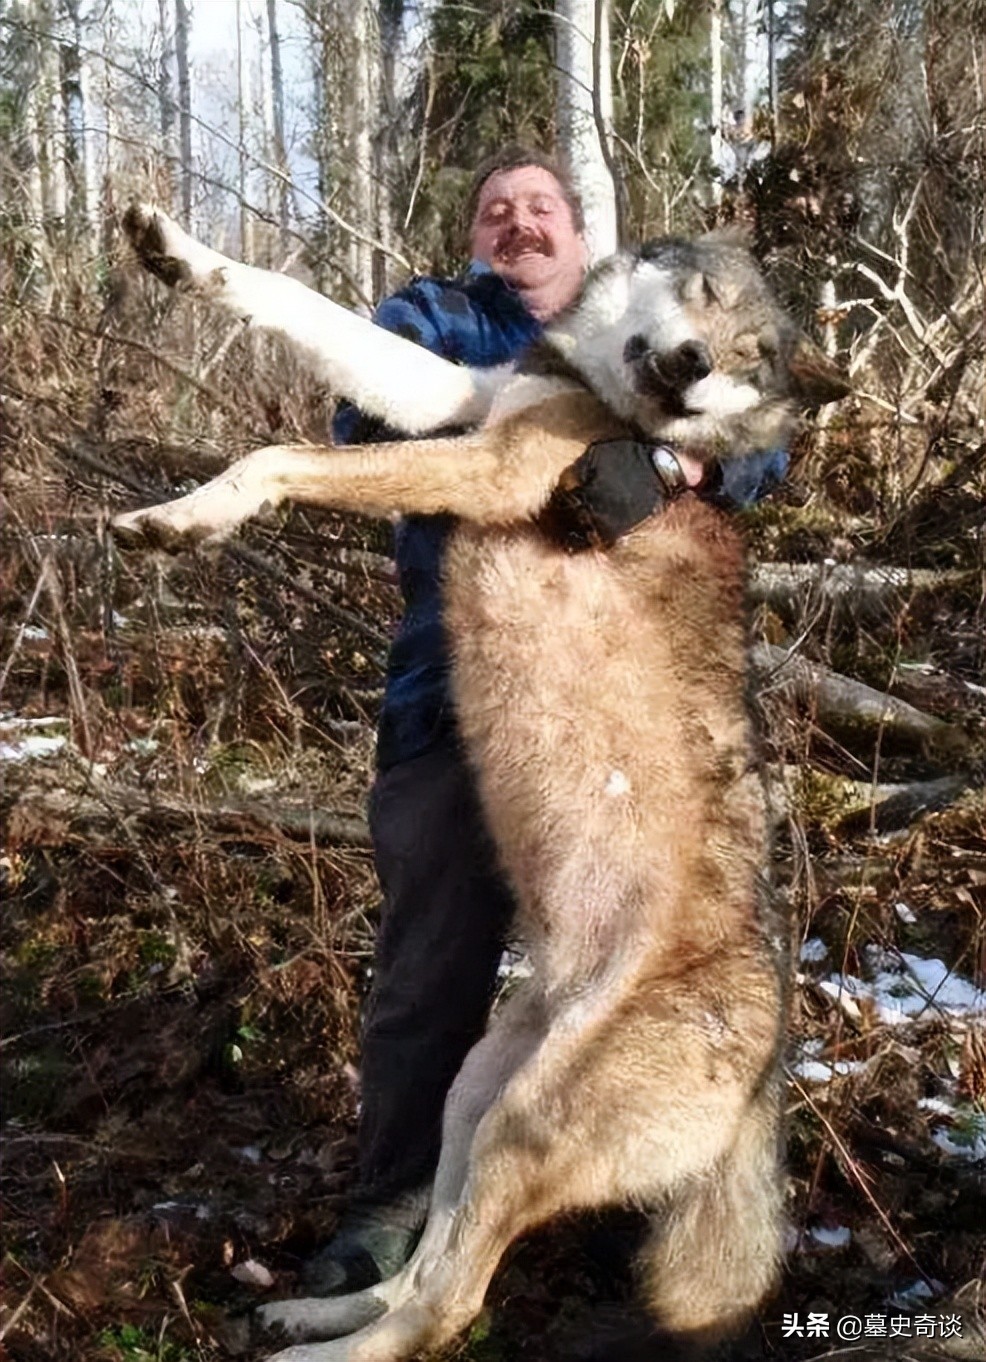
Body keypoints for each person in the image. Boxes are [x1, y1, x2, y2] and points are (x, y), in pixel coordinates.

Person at [305, 146, 788, 1294]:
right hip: (453, 696)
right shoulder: (431, 315)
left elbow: (758, 447)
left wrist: (668, 466)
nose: (518, 224)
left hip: (621, 724)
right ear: (476, 236)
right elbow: (365, 423)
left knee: (636, 968)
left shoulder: (653, 322)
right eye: (495, 210)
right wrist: (524, 436)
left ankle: (622, 1192)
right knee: (433, 965)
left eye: (541, 209)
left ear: (585, 240)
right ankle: (395, 1207)